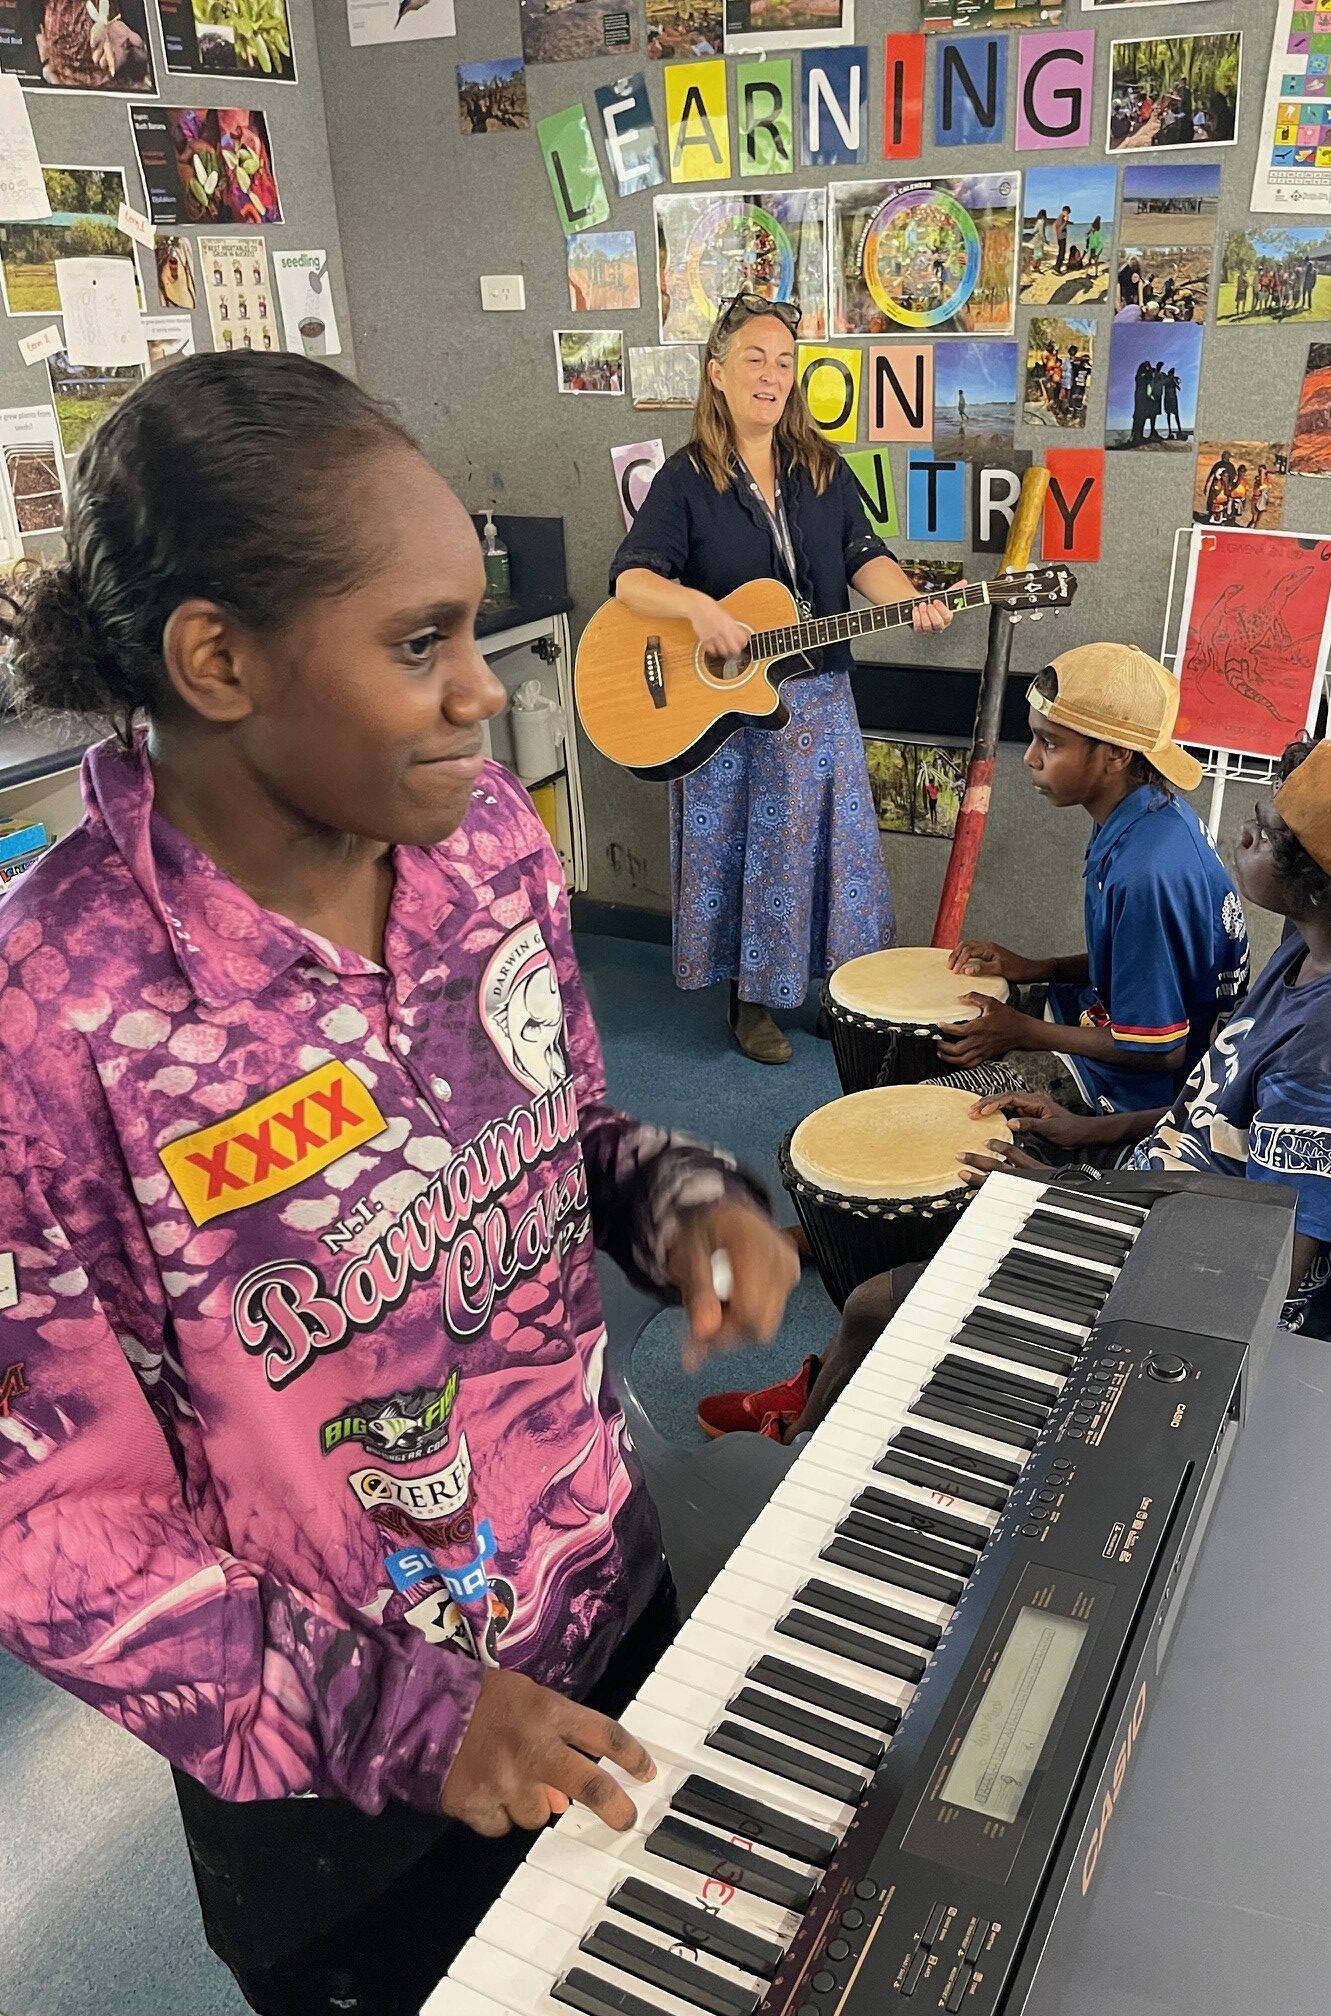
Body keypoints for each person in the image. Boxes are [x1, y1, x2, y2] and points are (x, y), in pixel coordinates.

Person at [0, 353, 800, 2016]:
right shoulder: (49, 1025)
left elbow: (567, 1126)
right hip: (346, 1810)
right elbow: (53, 1531)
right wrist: (408, 1717)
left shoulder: (484, 842)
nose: (484, 693)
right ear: (219, 659)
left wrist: (674, 1196)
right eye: (419, 644)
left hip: (600, 1595)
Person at [703, 739, 1331, 1441]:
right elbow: (1221, 1112)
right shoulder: (1318, 948)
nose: (1245, 835)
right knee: (943, 1191)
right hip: (1158, 1197)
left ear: (1323, 886)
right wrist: (1085, 1133)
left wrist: (1070, 1198)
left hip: (1184, 1279)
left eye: (1264, 830)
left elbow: (1270, 1253)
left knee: (874, 1302)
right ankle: (838, 1390)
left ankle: (810, 1440)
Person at [609, 295, 951, 1066]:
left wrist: (910, 602)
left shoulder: (822, 469)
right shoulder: (686, 478)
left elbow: (866, 555)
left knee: (837, 853)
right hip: (727, 716)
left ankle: (839, 989)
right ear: (718, 373)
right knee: (749, 855)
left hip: (821, 698)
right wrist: (698, 609)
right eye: (755, 359)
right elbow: (631, 581)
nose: (772, 375)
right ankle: (750, 999)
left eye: (785, 362)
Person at [930, 644, 1248, 1123]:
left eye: (1050, 743)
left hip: (1144, 1091)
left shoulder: (1147, 872)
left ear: (1116, 754)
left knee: (941, 1109)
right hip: (1110, 1021)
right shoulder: (1149, 812)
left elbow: (1160, 1051)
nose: (1030, 759)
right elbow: (1139, 962)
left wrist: (1023, 1032)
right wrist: (1041, 968)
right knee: (949, 1024)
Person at [1053, 205, 1072, 274]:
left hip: (1060, 237)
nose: (1068, 214)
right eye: (1068, 213)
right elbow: (1060, 228)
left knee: (1061, 253)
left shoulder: (1060, 217)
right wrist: (1066, 221)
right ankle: (1057, 268)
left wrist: (1056, 234)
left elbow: (1054, 225)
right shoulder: (1061, 218)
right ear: (1065, 211)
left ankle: (1056, 267)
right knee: (1062, 254)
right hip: (1061, 238)